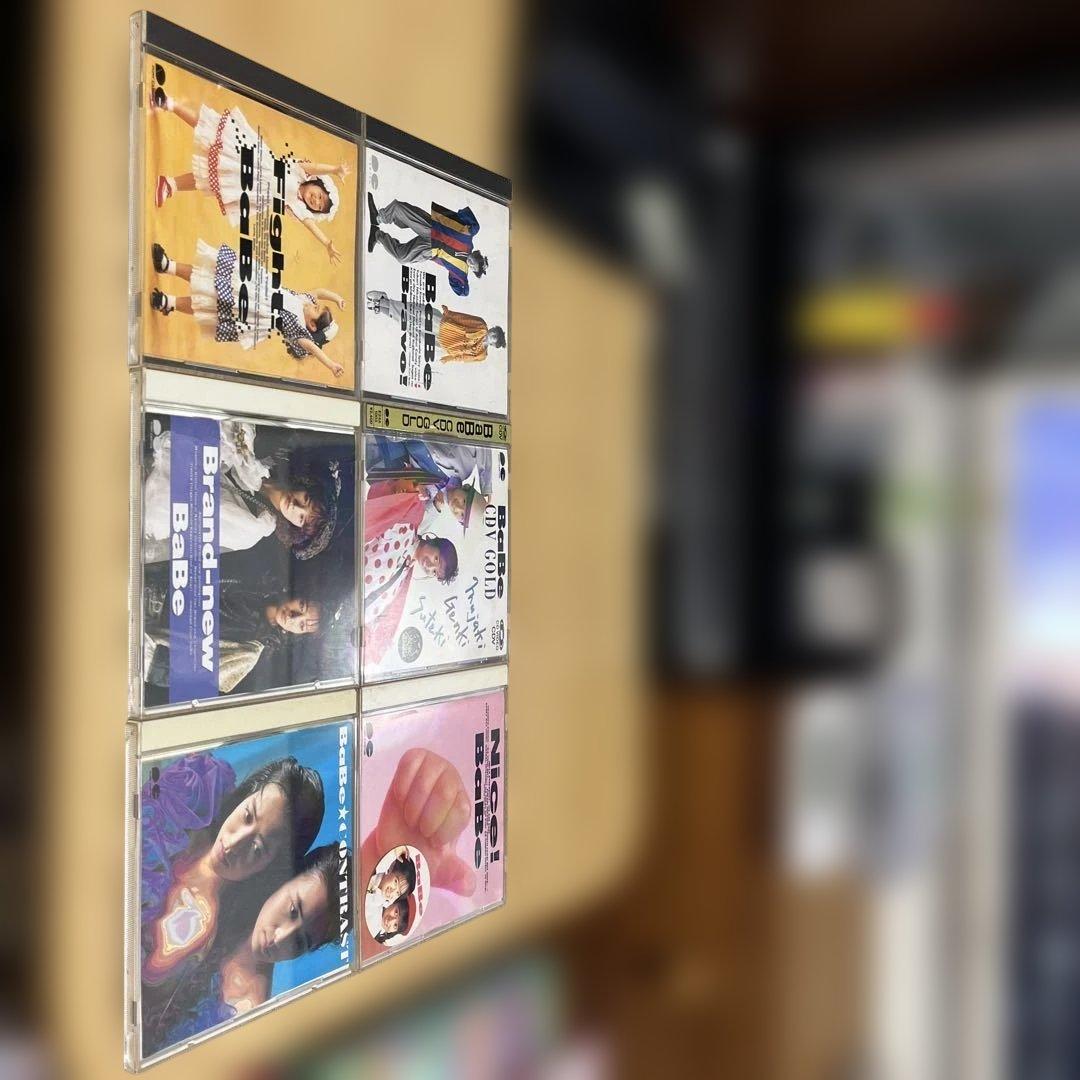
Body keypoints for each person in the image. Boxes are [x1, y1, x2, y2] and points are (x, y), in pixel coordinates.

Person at [140, 756, 325, 992]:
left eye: (257, 848)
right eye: (247, 816)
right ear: (246, 796)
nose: (234, 843)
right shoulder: (192, 800)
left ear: (269, 866)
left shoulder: (196, 924)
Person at [149, 90, 350, 265]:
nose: (315, 200)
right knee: (213, 132)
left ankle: (171, 184)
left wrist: (326, 243)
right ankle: (169, 104)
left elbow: (310, 225)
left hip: (250, 188)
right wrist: (334, 169)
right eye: (319, 196)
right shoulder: (300, 172)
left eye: (318, 206)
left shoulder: (296, 206)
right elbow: (316, 167)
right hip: (254, 158)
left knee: (212, 180)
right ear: (317, 183)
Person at [142, 419, 343, 561]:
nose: (296, 507)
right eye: (305, 499)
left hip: (156, 492)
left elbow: (185, 514)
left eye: (301, 518)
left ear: (296, 528)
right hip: (161, 440)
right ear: (305, 485)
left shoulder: (253, 527)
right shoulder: (267, 459)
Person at [149, 241, 347, 378]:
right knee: (210, 276)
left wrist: (331, 365)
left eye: (317, 310)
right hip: (254, 285)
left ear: (312, 325)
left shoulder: (298, 329)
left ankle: (168, 302)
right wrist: (337, 298)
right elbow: (319, 292)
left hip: (250, 310)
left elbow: (312, 348)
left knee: (209, 303)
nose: (315, 304)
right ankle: (168, 266)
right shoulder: (303, 300)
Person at [143, 570, 336, 695]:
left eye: (302, 625)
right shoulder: (255, 579)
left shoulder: (250, 651)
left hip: (150, 636)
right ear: (297, 595)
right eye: (301, 606)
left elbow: (190, 672)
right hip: (157, 592)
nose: (294, 617)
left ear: (298, 635)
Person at [216, 843, 353, 1015]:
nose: (281, 938)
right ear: (285, 880)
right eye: (293, 911)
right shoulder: (217, 892)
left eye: (300, 942)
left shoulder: (246, 1009)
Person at [362, 480, 459, 665]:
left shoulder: (406, 572)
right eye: (436, 558)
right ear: (433, 542)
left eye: (434, 571)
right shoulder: (407, 527)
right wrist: (412, 491)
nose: (429, 565)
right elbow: (380, 508)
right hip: (343, 570)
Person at [367, 193, 488, 296]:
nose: (472, 264)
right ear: (476, 254)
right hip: (432, 228)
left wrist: (466, 283)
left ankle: (377, 235)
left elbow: (463, 292)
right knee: (399, 209)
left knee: (402, 257)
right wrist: (455, 221)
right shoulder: (469, 235)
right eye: (476, 262)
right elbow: (465, 214)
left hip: (429, 249)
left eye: (474, 268)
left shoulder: (461, 271)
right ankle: (378, 218)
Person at [366, 292, 506, 363]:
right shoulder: (481, 326)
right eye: (494, 331)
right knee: (413, 313)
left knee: (410, 328)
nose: (491, 334)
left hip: (441, 344)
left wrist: (449, 358)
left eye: (494, 337)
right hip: (443, 325)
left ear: (494, 344)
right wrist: (449, 313)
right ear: (493, 328)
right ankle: (382, 302)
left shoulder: (482, 355)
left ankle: (381, 305)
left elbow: (463, 357)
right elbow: (464, 318)